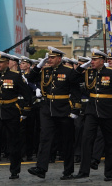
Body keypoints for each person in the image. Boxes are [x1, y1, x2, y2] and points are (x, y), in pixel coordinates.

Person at [24, 46, 81, 180]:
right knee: (45, 138)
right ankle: (41, 168)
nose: (49, 60)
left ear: (59, 59)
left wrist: (75, 109)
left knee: (66, 141)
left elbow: (76, 91)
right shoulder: (45, 71)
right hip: (47, 109)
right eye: (49, 57)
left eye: (52, 58)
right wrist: (39, 65)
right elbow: (30, 78)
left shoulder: (68, 71)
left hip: (64, 109)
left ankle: (68, 170)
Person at [75, 48, 112, 181]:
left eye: (95, 60)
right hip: (91, 110)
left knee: (109, 142)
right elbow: (74, 77)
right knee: (86, 140)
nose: (92, 62)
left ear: (102, 61)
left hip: (107, 111)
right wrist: (83, 65)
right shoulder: (88, 72)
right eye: (92, 59)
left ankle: (109, 172)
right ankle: (84, 170)